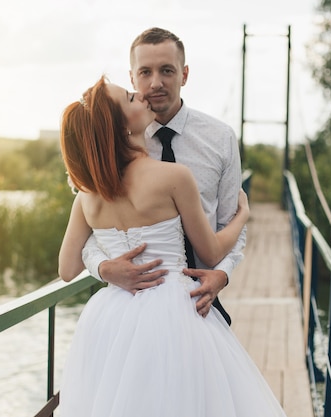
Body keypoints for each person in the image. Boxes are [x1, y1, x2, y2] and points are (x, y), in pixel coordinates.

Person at [57, 76, 286, 417]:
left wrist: (105, 269)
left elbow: (66, 269)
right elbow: (210, 252)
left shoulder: (88, 196)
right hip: (176, 311)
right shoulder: (173, 177)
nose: (143, 97)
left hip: (110, 319)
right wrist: (242, 216)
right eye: (131, 97)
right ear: (122, 129)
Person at [81, 27, 245, 324]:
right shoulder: (113, 151)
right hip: (131, 313)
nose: (155, 83)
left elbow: (230, 221)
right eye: (145, 72)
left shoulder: (221, 138)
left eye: (166, 70)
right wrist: (103, 268)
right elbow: (92, 231)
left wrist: (223, 274)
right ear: (132, 78)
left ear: (184, 74)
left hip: (202, 305)